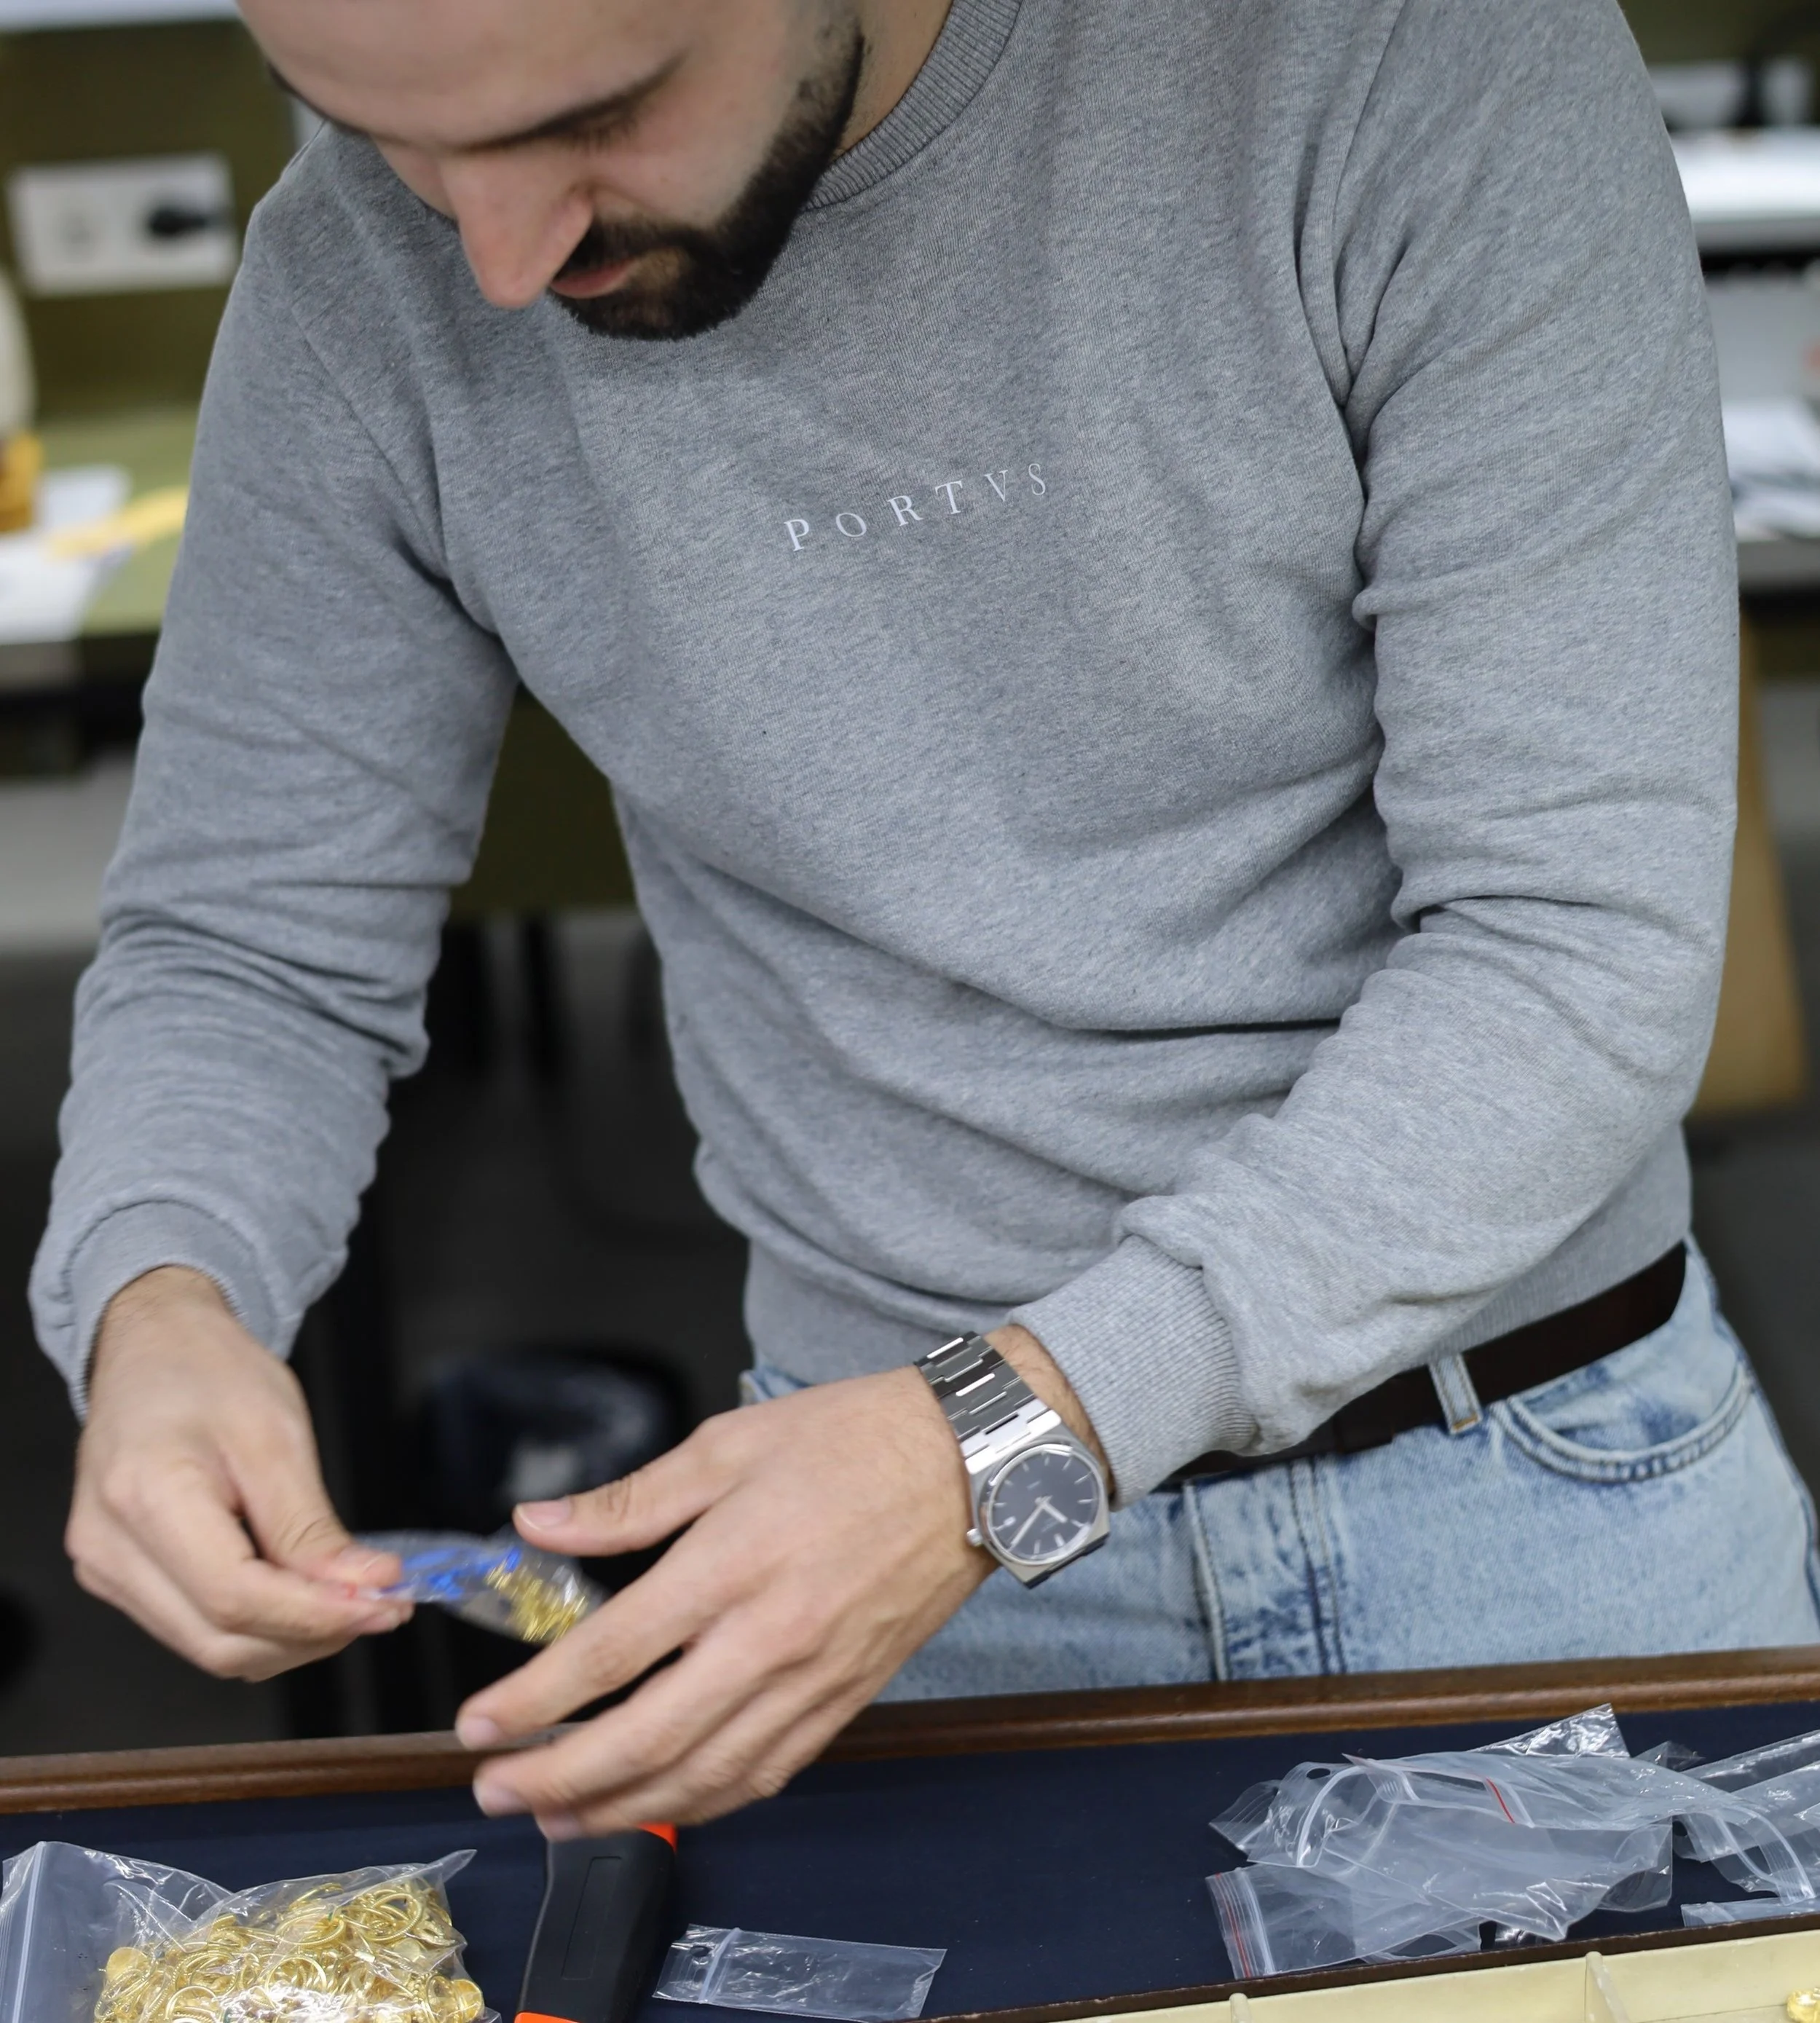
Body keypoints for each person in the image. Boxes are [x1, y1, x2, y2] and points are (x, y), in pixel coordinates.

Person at [31, 0, 1818, 1842]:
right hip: (852, 1535)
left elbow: (1568, 950)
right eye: (382, 139)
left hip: (1511, 1476)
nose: (494, 259)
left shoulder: (1409, 60)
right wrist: (166, 1295)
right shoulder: (352, 275)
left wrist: (1001, 1442)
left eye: (599, 116)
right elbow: (247, 946)